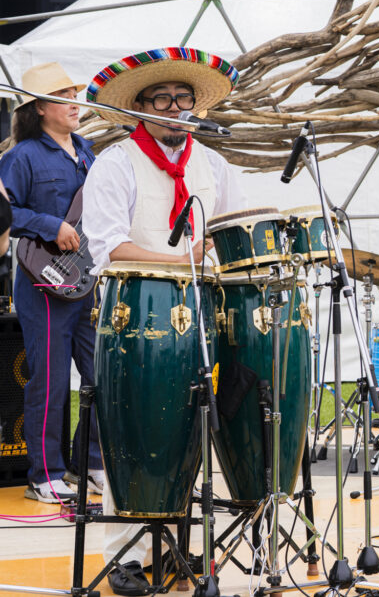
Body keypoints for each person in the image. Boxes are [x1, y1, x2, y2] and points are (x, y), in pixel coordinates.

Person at [81, 47, 246, 595]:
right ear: (140, 108)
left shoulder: (213, 164)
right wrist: (181, 261)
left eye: (184, 98)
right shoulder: (116, 162)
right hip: (136, 313)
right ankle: (125, 554)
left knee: (191, 424)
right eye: (162, 99)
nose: (176, 108)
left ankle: (174, 542)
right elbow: (109, 248)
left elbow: (232, 231)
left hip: (202, 311)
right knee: (135, 425)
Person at [0, 62, 103, 504]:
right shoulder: (21, 157)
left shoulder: (89, 153)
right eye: (63, 97)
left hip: (88, 282)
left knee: (102, 375)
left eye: (74, 95)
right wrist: (49, 224)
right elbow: (5, 212)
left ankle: (89, 462)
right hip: (42, 283)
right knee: (51, 380)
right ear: (39, 108)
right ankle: (44, 475)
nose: (74, 103)